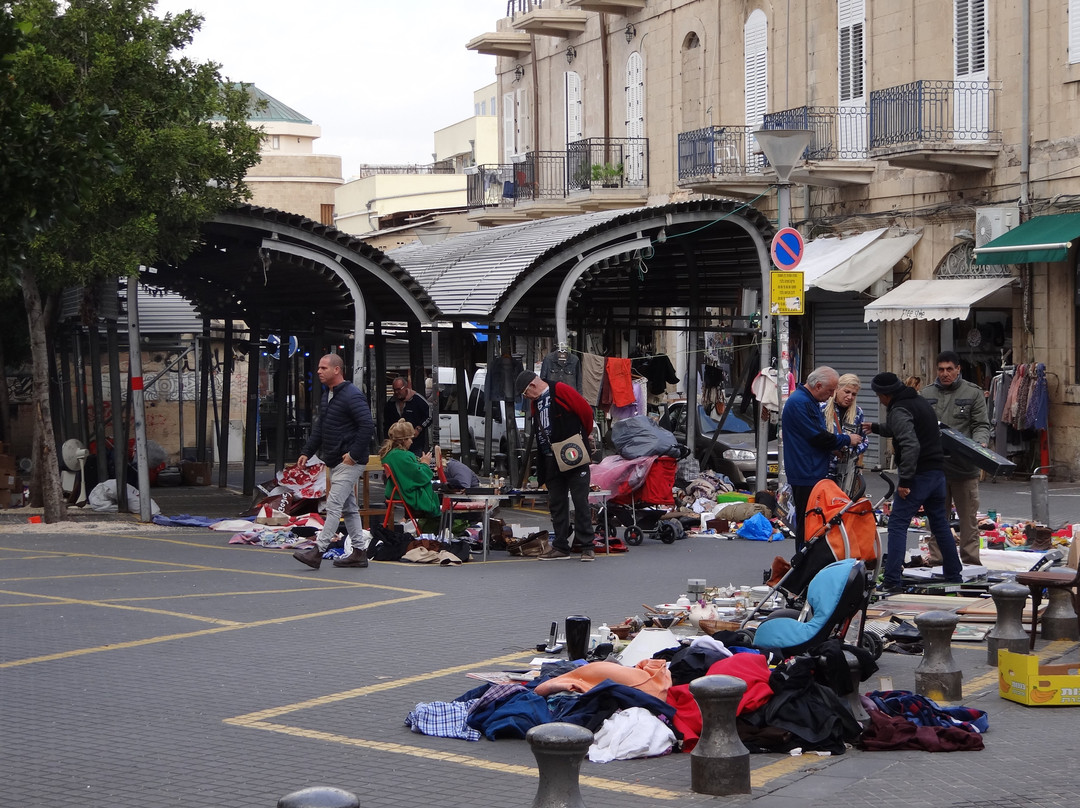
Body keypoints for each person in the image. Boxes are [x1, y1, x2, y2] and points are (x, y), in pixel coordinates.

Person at [865, 372, 962, 594]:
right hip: (937, 473)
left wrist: (905, 480)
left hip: (918, 475)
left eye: (879, 395)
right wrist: (877, 427)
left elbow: (910, 444)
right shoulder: (918, 401)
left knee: (897, 524)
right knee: (939, 523)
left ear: (885, 395)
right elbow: (906, 429)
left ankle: (891, 580)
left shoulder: (899, 409)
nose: (879, 400)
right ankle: (953, 572)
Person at [293, 354, 375, 570]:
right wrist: (307, 451)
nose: (318, 371)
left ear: (337, 370)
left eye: (323, 368)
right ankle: (359, 552)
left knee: (334, 505)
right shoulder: (329, 395)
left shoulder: (351, 395)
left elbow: (367, 425)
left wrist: (353, 454)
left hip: (348, 461)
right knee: (349, 507)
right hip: (337, 459)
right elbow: (321, 427)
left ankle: (318, 551)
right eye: (319, 368)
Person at [517, 369, 596, 562]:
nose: (526, 398)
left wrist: (582, 436)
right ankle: (561, 545)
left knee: (580, 500)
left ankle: (587, 546)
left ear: (533, 386)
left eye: (526, 393)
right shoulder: (536, 402)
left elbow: (585, 411)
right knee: (557, 502)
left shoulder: (560, 389)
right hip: (550, 457)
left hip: (571, 453)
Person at [921, 351, 991, 566]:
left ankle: (970, 564)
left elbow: (981, 425)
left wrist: (980, 443)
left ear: (958, 369)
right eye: (941, 369)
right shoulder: (925, 394)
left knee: (968, 521)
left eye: (949, 369)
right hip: (936, 470)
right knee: (936, 519)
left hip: (964, 469)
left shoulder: (972, 393)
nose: (945, 374)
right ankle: (937, 561)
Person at [782, 366, 863, 551]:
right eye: (829, 390)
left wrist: (832, 448)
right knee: (808, 521)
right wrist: (846, 439)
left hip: (810, 469)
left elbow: (814, 437)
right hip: (806, 471)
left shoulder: (806, 400)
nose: (831, 395)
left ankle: (807, 562)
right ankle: (803, 563)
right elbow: (817, 436)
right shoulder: (802, 403)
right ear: (818, 386)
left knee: (814, 520)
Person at [380, 419, 441, 527]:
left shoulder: (390, 454)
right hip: (405, 492)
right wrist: (425, 463)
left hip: (395, 489)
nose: (412, 442)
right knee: (439, 492)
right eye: (410, 439)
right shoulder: (403, 456)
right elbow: (419, 476)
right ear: (403, 440)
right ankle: (437, 524)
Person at [822, 373, 869, 497]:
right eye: (846, 392)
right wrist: (833, 448)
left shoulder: (858, 413)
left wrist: (851, 452)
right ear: (837, 389)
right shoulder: (822, 408)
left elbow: (864, 441)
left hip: (846, 473)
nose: (850, 397)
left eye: (854, 394)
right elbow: (816, 438)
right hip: (823, 471)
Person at [384, 376, 431, 456]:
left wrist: (419, 428)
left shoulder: (417, 400)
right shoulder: (390, 404)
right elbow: (386, 423)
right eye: (394, 390)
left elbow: (429, 416)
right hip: (397, 445)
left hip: (415, 444)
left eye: (399, 389)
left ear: (406, 387)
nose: (396, 392)